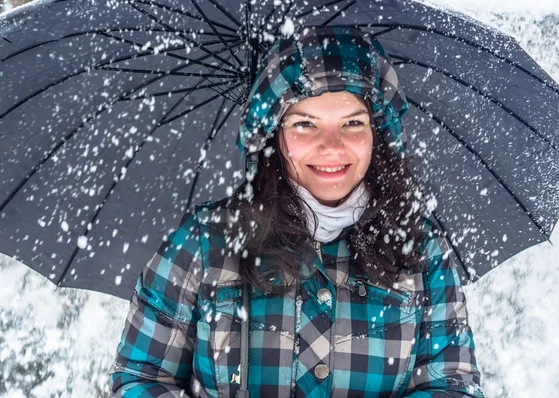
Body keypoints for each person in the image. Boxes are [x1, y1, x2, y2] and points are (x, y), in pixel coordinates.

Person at [108, 26, 486, 397]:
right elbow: (140, 378)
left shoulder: (420, 247)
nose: (332, 148)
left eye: (352, 123)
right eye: (305, 124)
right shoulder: (205, 241)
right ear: (274, 133)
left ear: (378, 132)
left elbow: (451, 384)